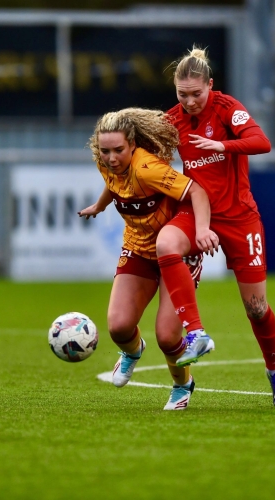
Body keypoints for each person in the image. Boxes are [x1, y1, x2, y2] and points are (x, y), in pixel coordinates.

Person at [155, 47, 275, 410]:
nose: (189, 101)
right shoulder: (171, 121)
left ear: (210, 86)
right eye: (181, 94)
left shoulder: (227, 107)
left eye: (196, 94)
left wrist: (223, 144)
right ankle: (196, 334)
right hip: (196, 214)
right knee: (166, 243)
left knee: (257, 308)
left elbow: (262, 143)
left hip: (239, 217)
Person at [78, 107, 219, 410]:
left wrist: (203, 229)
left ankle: (183, 385)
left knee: (168, 337)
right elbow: (115, 184)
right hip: (138, 248)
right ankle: (132, 351)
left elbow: (196, 191)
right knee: (118, 327)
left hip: (174, 251)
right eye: (105, 151)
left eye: (119, 150)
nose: (112, 158)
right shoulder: (106, 163)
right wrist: (100, 206)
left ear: (132, 145)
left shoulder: (148, 168)